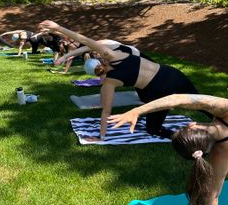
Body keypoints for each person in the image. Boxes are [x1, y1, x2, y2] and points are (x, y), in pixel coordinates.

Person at [39, 20, 201, 141]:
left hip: (160, 91)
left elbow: (106, 112)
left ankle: (185, 137)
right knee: (202, 102)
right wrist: (58, 28)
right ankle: (223, 120)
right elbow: (87, 42)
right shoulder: (114, 54)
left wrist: (101, 137)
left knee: (153, 129)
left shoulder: (109, 82)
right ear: (99, 58)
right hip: (172, 73)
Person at [108, 94, 228, 205]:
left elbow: (213, 196)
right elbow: (177, 98)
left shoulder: (223, 149)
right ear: (191, 126)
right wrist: (137, 111)